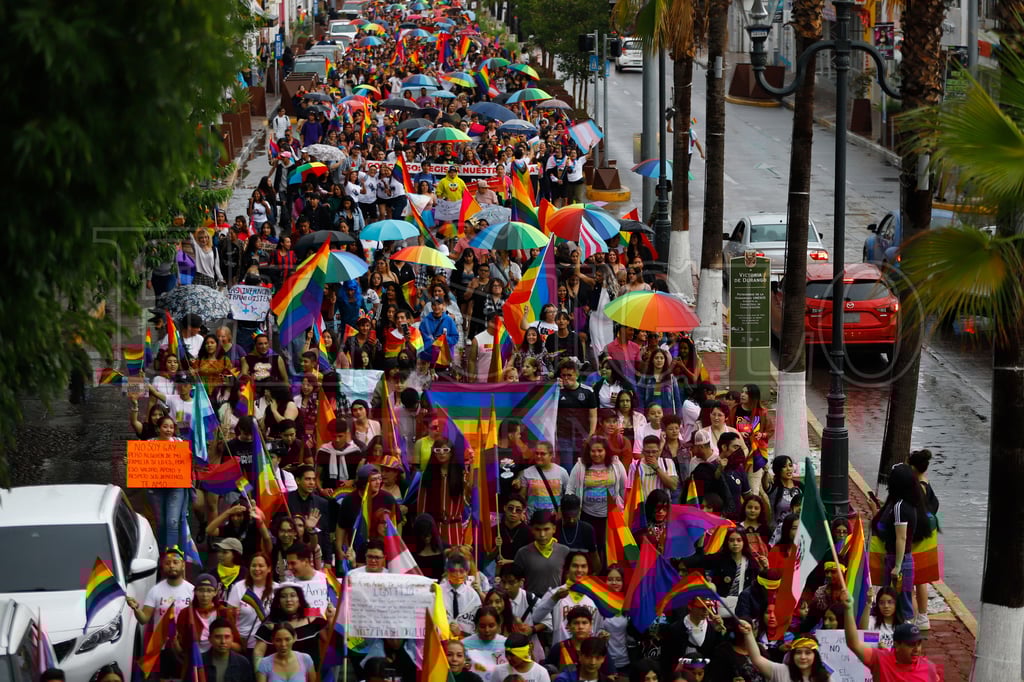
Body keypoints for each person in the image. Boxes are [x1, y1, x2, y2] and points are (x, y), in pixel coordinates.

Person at [871, 463, 931, 624]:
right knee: (900, 599)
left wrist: (897, 565)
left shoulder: (899, 507)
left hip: (898, 559)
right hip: (902, 559)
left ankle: (903, 633)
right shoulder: (910, 505)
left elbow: (901, 537)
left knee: (896, 600)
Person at [125, 547, 195, 682]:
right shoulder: (155, 591)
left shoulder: (191, 590)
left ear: (183, 565)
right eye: (167, 563)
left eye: (175, 562)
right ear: (162, 566)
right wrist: (136, 609)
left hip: (184, 647)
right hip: (162, 648)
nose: (172, 566)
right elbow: (144, 619)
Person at [841, 592, 938, 681]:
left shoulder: (929, 668)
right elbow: (853, 643)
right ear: (897, 645)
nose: (917, 649)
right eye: (911, 644)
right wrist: (848, 609)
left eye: (919, 643)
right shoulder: (880, 660)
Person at [566, 435, 627, 560]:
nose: (596, 454)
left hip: (611, 516)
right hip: (587, 516)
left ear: (606, 451)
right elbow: (570, 489)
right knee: (590, 549)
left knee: (609, 550)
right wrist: (571, 510)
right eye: (593, 451)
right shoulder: (580, 466)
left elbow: (624, 489)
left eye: (600, 451)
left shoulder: (616, 465)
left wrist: (625, 511)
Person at [532, 552, 602, 645]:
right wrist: (554, 599)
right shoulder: (555, 593)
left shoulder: (596, 595)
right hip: (562, 653)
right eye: (575, 566)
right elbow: (536, 617)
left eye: (583, 566)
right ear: (568, 568)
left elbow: (598, 628)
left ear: (588, 569)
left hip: (587, 654)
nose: (579, 570)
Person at [253, 587, 327, 670]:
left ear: (300, 600)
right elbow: (259, 651)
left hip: (311, 674)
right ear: (278, 602)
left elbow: (327, 640)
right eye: (283, 596)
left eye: (293, 595)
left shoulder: (313, 618)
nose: (288, 600)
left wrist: (331, 618)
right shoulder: (270, 623)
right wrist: (259, 674)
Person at [737, 622, 830, 682]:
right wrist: (748, 634)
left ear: (815, 655)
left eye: (808, 653)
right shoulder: (782, 671)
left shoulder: (824, 678)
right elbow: (757, 659)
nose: (803, 657)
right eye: (798, 652)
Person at [908, 449, 939, 630]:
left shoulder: (917, 486)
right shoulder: (927, 483)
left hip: (916, 537)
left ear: (913, 466)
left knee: (910, 579)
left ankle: (914, 618)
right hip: (927, 537)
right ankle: (923, 616)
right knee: (921, 580)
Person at [226, 552, 276, 654]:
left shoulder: (277, 589)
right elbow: (229, 618)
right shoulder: (239, 587)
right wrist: (236, 641)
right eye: (253, 565)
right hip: (244, 645)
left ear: (269, 569)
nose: (257, 569)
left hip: (269, 645)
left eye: (261, 566)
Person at [514, 510, 572, 597]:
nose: (542, 534)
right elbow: (516, 581)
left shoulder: (564, 551)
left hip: (556, 601)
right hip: (531, 602)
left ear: (554, 529)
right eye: (537, 529)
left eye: (546, 529)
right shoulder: (523, 553)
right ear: (532, 530)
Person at [555, 359, 598, 471]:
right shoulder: (556, 391)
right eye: (563, 375)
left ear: (577, 375)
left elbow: (593, 415)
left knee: (582, 468)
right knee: (567, 468)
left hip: (582, 436)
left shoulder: (588, 391)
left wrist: (591, 434)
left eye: (569, 375)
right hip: (564, 436)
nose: (566, 378)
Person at [514, 441, 570, 520]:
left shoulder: (562, 472)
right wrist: (521, 512)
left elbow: (568, 494)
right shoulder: (527, 473)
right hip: (532, 519)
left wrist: (562, 510)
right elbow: (522, 497)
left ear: (551, 455)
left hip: (554, 518)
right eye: (536, 453)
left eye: (543, 454)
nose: (538, 456)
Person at [441, 554, 483, 635]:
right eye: (453, 571)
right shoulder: (438, 591)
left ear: (467, 572)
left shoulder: (473, 596)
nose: (457, 575)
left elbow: (476, 625)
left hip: (465, 641)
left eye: (461, 571)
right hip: (441, 638)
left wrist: (461, 633)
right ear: (447, 571)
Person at [283, 544, 330, 615]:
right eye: (288, 564)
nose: (289, 567)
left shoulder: (327, 580)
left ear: (306, 561)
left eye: (293, 563)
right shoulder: (288, 585)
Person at [462, 606, 509, 676]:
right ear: (476, 625)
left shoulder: (507, 644)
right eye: (482, 626)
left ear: (499, 625)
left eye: (491, 626)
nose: (487, 630)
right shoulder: (463, 644)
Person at [204, 617, 254, 682]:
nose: (223, 641)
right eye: (218, 637)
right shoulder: (200, 661)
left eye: (227, 637)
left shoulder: (242, 662)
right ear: (210, 639)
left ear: (232, 638)